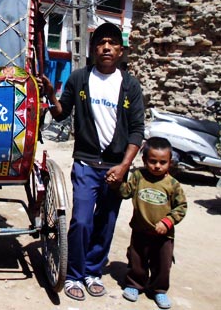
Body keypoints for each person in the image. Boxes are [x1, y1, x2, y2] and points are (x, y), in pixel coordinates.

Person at [40, 22, 145, 301]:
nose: (106, 47)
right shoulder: (79, 78)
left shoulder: (130, 85)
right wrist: (51, 95)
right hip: (86, 163)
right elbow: (61, 114)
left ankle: (93, 271)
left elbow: (137, 130)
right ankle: (74, 273)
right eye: (101, 43)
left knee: (106, 223)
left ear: (121, 50)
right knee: (82, 221)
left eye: (112, 43)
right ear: (93, 48)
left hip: (115, 167)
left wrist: (123, 167)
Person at [117, 137, 187, 309]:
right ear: (144, 160)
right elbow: (126, 193)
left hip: (163, 235)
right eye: (153, 161)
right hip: (140, 230)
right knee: (137, 260)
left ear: (170, 162)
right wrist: (116, 183)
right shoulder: (138, 176)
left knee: (162, 265)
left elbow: (181, 207)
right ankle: (135, 284)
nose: (157, 166)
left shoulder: (173, 184)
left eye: (163, 162)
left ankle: (159, 290)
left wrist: (168, 221)